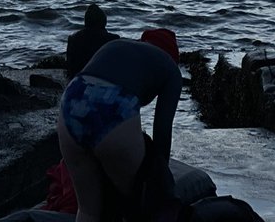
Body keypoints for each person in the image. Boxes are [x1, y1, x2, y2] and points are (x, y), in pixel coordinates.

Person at [57, 28, 182, 222]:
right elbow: (162, 132)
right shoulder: (170, 68)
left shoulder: (115, 46)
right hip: (113, 107)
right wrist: (159, 180)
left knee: (88, 210)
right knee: (138, 208)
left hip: (71, 100)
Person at [66, 3, 120, 78]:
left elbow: (70, 67)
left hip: (78, 78)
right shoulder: (113, 40)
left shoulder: (73, 39)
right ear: (104, 21)